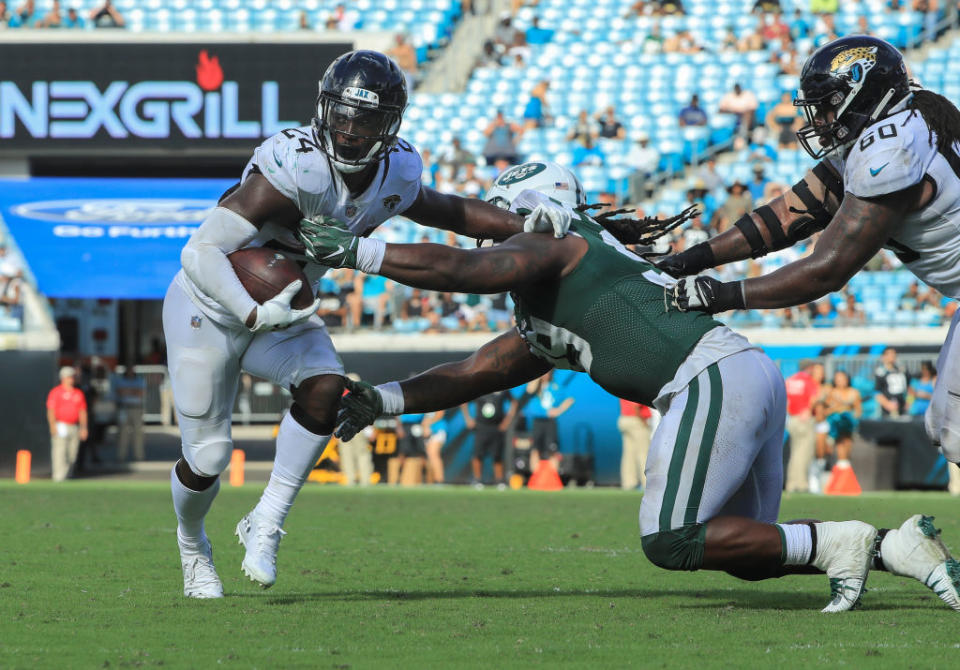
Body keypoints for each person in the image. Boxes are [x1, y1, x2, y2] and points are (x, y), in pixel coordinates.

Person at [301, 161, 960, 612]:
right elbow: (477, 371)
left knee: (670, 538)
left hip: (708, 376)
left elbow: (463, 268)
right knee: (743, 550)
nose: (493, 227)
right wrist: (383, 400)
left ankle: (844, 541)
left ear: (534, 210)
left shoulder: (559, 243)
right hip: (734, 373)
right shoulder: (556, 297)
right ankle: (890, 548)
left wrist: (360, 253)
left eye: (501, 215)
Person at [163, 51, 567, 598]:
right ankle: (193, 548)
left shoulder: (396, 172)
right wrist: (253, 311)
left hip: (283, 303)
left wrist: (527, 224)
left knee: (327, 387)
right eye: (343, 116)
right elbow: (201, 251)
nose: (350, 132)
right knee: (208, 456)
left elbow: (450, 212)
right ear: (323, 110)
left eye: (366, 120)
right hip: (209, 305)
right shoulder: (294, 165)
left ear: (390, 124)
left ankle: (267, 520)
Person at [644, 36, 960, 491]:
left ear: (864, 95)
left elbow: (827, 269)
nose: (821, 119)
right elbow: (789, 215)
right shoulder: (901, 123)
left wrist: (725, 295)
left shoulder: (889, 150)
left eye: (828, 104)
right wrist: (690, 259)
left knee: (953, 429)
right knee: (949, 428)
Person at [784, 361, 824, 493]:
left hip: (792, 419)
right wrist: (807, 410)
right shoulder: (809, 381)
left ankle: (791, 483)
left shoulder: (790, 380)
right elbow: (813, 399)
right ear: (810, 368)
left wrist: (791, 412)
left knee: (795, 452)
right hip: (804, 419)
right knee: (804, 452)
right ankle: (801, 484)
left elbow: (785, 400)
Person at [463, 391, 517, 488]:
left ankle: (499, 481)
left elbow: (514, 403)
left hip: (497, 427)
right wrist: (467, 419)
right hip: (481, 426)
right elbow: (463, 402)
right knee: (477, 454)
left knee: (497, 455)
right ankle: (477, 480)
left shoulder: (502, 388)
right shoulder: (478, 388)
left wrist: (507, 421)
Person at [47, 366, 88, 482]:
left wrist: (83, 427)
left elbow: (82, 411)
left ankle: (68, 475)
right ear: (63, 378)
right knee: (60, 451)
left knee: (72, 453)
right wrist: (52, 425)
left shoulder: (78, 393)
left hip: (73, 426)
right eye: (69, 377)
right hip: (61, 425)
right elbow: (51, 411)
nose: (71, 379)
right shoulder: (56, 392)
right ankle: (58, 477)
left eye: (72, 377)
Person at [823, 370, 862, 469]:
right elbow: (825, 411)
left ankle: (845, 468)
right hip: (835, 426)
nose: (841, 381)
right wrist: (836, 409)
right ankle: (841, 467)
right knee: (838, 445)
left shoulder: (854, 392)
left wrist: (852, 417)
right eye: (838, 379)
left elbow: (858, 410)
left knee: (847, 446)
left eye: (842, 378)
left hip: (848, 425)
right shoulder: (831, 393)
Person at [113, 365, 146, 462]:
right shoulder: (120, 381)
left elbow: (140, 393)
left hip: (136, 408)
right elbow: (120, 392)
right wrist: (133, 391)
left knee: (138, 433)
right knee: (122, 433)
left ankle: (139, 456)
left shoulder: (139, 380)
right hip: (124, 408)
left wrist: (128, 391)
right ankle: (121, 456)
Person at [618, 399, 652, 491]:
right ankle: (647, 484)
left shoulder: (624, 387)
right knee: (643, 453)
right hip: (636, 420)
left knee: (629, 455)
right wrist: (642, 420)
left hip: (625, 418)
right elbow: (635, 405)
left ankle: (628, 483)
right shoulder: (635, 386)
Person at [875, 347, 909, 417]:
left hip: (903, 409)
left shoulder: (902, 371)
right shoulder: (880, 372)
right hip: (887, 411)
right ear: (883, 357)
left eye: (894, 354)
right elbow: (877, 392)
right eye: (889, 354)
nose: (892, 356)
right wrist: (887, 404)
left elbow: (911, 389)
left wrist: (909, 402)